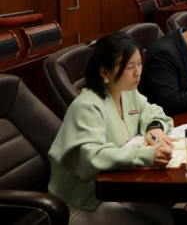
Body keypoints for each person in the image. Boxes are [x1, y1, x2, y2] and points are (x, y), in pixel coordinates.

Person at [49, 33, 175, 225]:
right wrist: (144, 155)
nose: (138, 72)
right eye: (129, 67)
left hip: (121, 185)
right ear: (104, 72)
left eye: (139, 63)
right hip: (85, 198)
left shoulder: (127, 92)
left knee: (174, 216)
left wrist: (154, 128)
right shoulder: (87, 106)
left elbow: (153, 113)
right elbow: (91, 157)